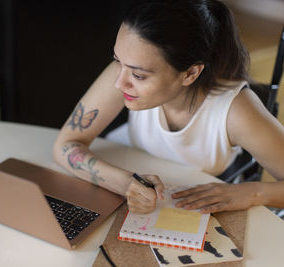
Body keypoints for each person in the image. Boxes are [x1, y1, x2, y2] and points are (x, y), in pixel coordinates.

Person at [53, 0, 284, 215]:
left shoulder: (235, 111)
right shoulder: (126, 71)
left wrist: (252, 193)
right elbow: (65, 144)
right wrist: (125, 183)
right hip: (119, 180)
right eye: (117, 60)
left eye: (138, 75)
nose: (118, 82)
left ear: (191, 73)